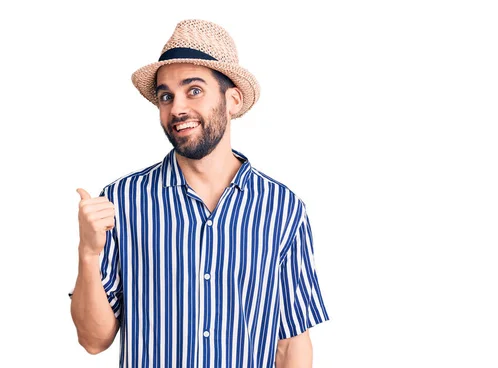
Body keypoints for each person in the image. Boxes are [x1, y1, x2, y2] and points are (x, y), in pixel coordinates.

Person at [69, 19, 329, 368]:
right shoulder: (122, 202)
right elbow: (93, 340)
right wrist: (88, 253)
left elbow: (291, 343)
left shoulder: (282, 209)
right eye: (166, 96)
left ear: (232, 99)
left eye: (194, 90)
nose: (177, 109)